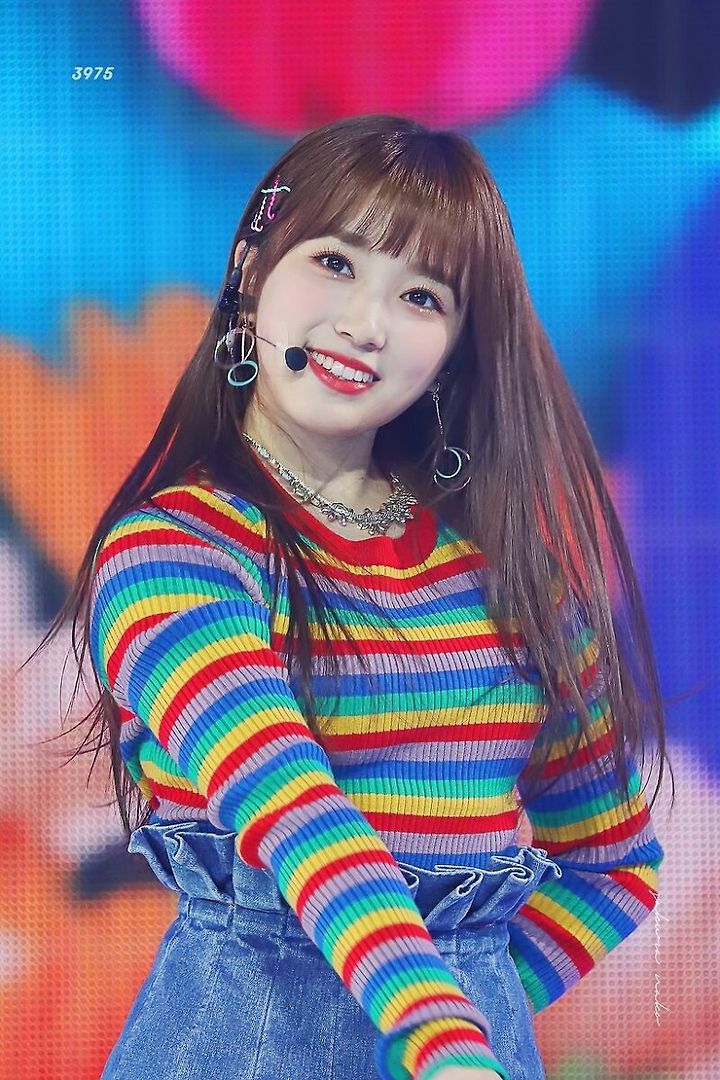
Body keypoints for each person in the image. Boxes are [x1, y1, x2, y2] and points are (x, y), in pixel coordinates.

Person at [32, 115, 672, 1080]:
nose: (365, 323)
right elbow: (297, 813)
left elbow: (613, 864)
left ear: (455, 349)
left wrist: (477, 1015)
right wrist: (441, 1037)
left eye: (421, 296)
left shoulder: (515, 577)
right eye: (334, 262)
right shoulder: (174, 551)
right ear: (251, 270)